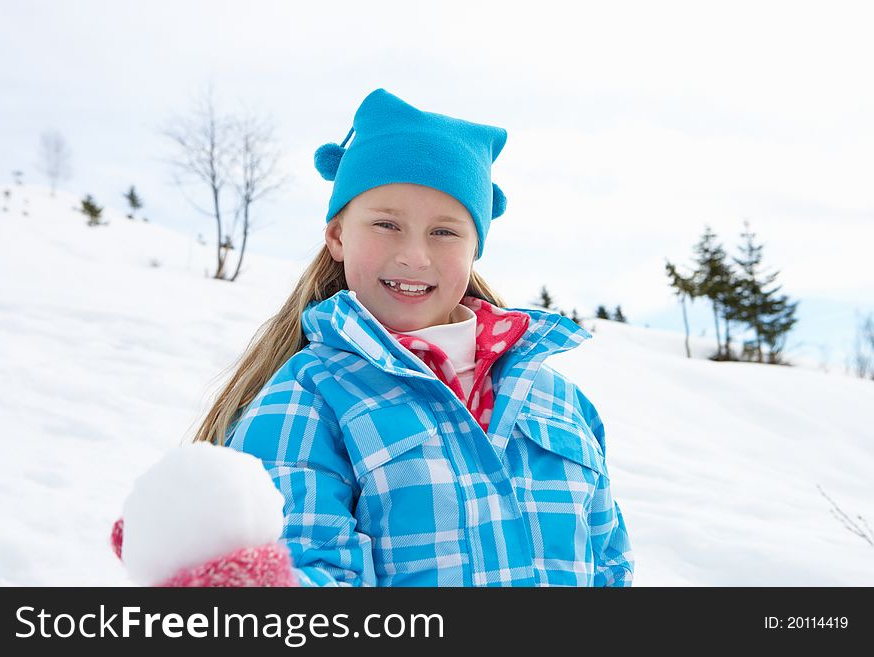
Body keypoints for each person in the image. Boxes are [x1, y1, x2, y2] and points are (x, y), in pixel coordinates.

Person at [193, 88, 634, 587]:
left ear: (475, 250)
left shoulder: (557, 399)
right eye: (387, 224)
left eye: (444, 232)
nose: (415, 257)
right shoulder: (310, 397)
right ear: (338, 236)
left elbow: (609, 565)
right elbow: (307, 570)